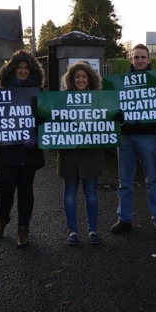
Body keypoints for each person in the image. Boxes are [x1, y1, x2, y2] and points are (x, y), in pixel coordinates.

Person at [0, 49, 45, 248]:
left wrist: (37, 138)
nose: (22, 71)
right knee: (5, 190)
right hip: (6, 153)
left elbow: (45, 121)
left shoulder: (39, 93)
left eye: (26, 68)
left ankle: (23, 228)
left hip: (28, 153)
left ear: (32, 70)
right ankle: (3, 218)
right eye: (19, 67)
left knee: (26, 191)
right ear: (11, 70)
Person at [111, 44, 156, 237]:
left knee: (153, 179)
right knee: (124, 181)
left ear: (149, 59)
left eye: (143, 57)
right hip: (126, 138)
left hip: (148, 138)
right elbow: (113, 108)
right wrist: (121, 121)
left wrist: (142, 125)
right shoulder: (121, 82)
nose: (140, 60)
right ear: (131, 60)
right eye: (136, 57)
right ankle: (124, 218)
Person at [57, 62, 105, 246]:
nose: (81, 80)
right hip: (69, 155)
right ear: (71, 79)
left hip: (91, 155)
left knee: (91, 193)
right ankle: (73, 231)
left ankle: (93, 230)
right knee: (69, 191)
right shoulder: (61, 100)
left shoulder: (99, 99)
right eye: (77, 77)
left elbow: (107, 121)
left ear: (90, 79)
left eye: (84, 77)